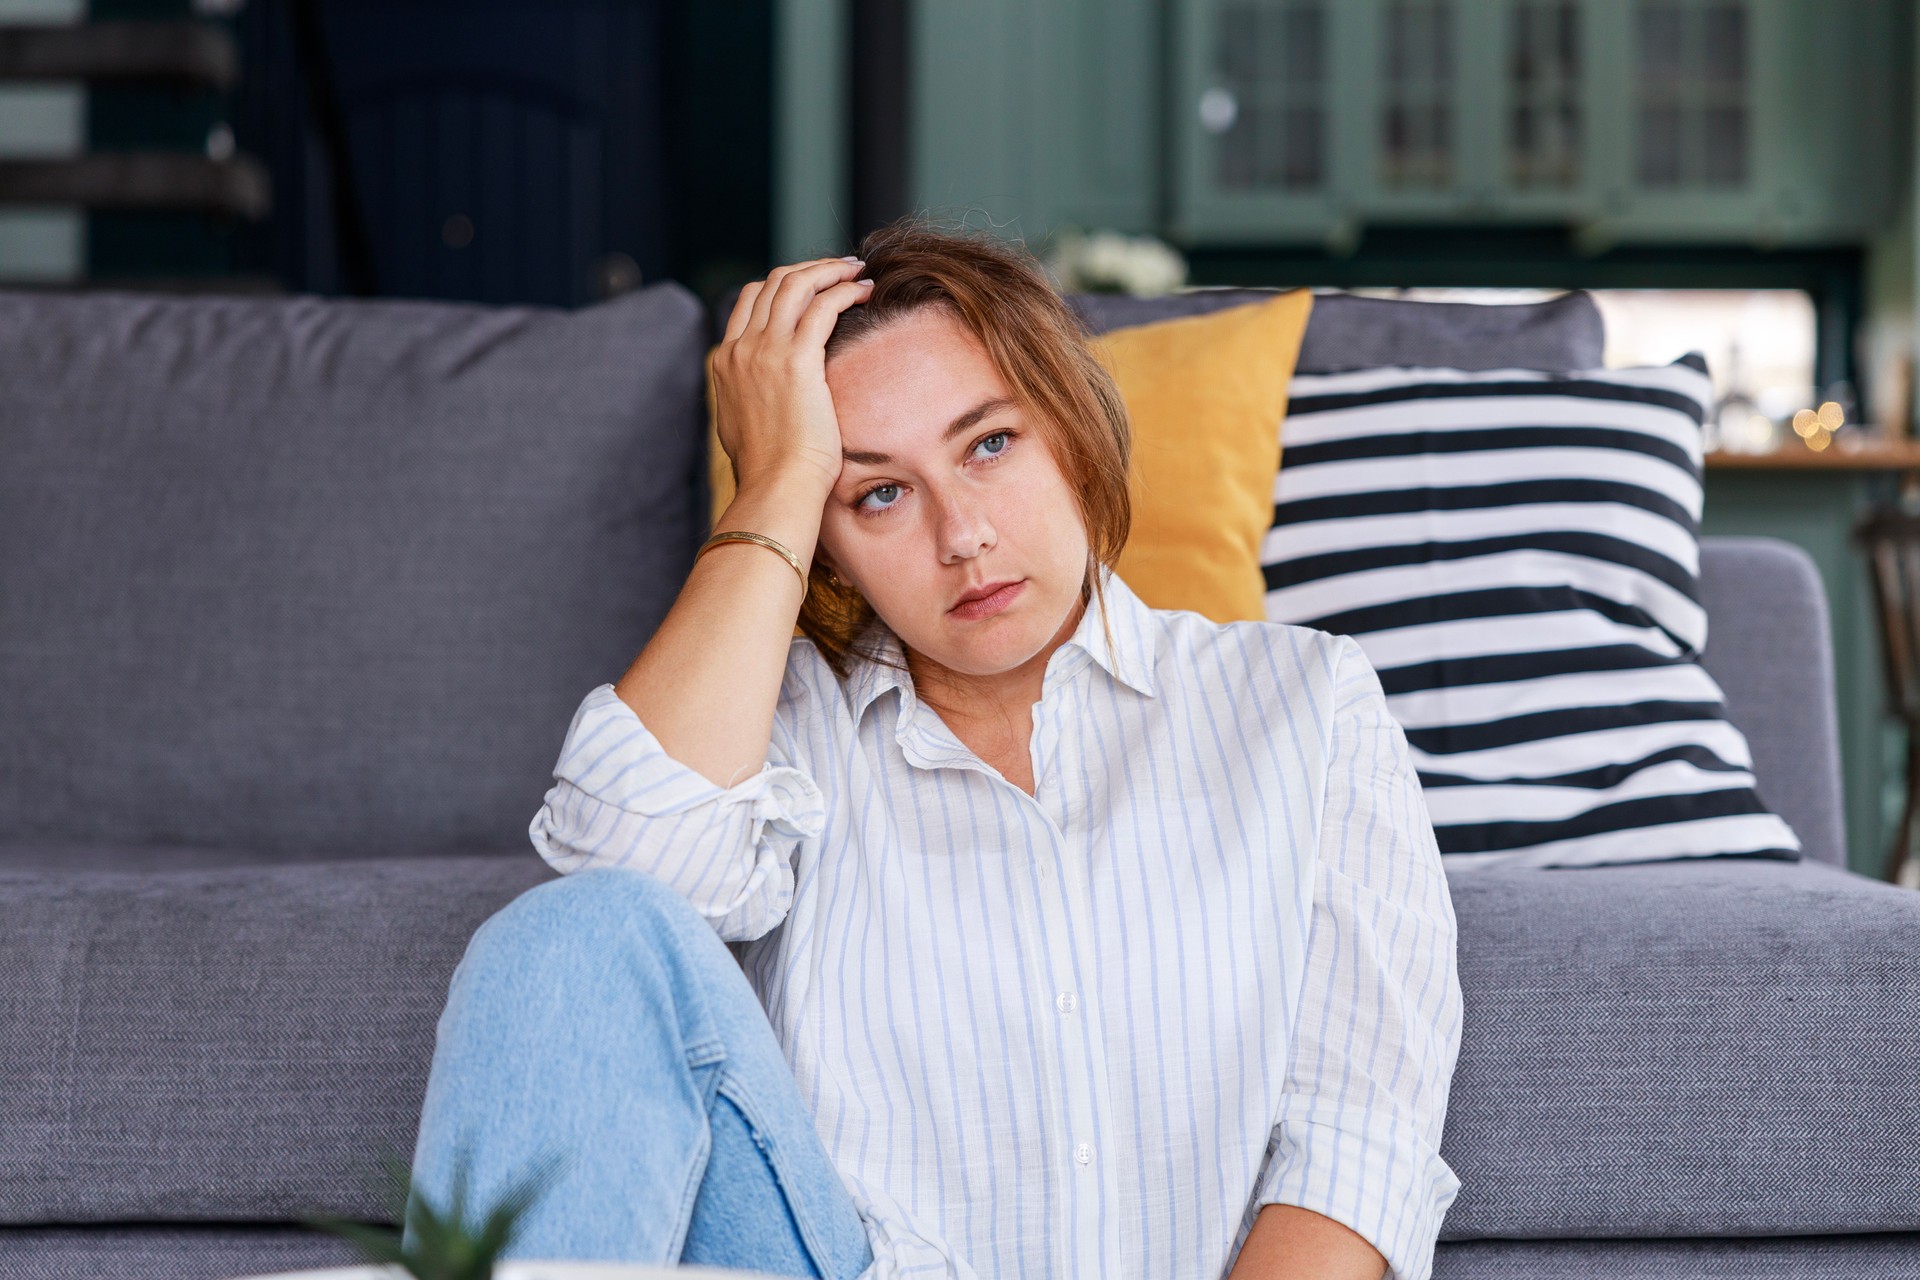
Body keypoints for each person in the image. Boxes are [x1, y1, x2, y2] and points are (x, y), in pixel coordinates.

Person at [405, 216, 1464, 1280]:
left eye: (990, 443)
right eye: (878, 492)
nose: (962, 534)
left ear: (1070, 423)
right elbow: (618, 896)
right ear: (832, 548)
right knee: (575, 934)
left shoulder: (1307, 703)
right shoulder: (784, 733)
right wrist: (776, 480)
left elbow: (1357, 1144)